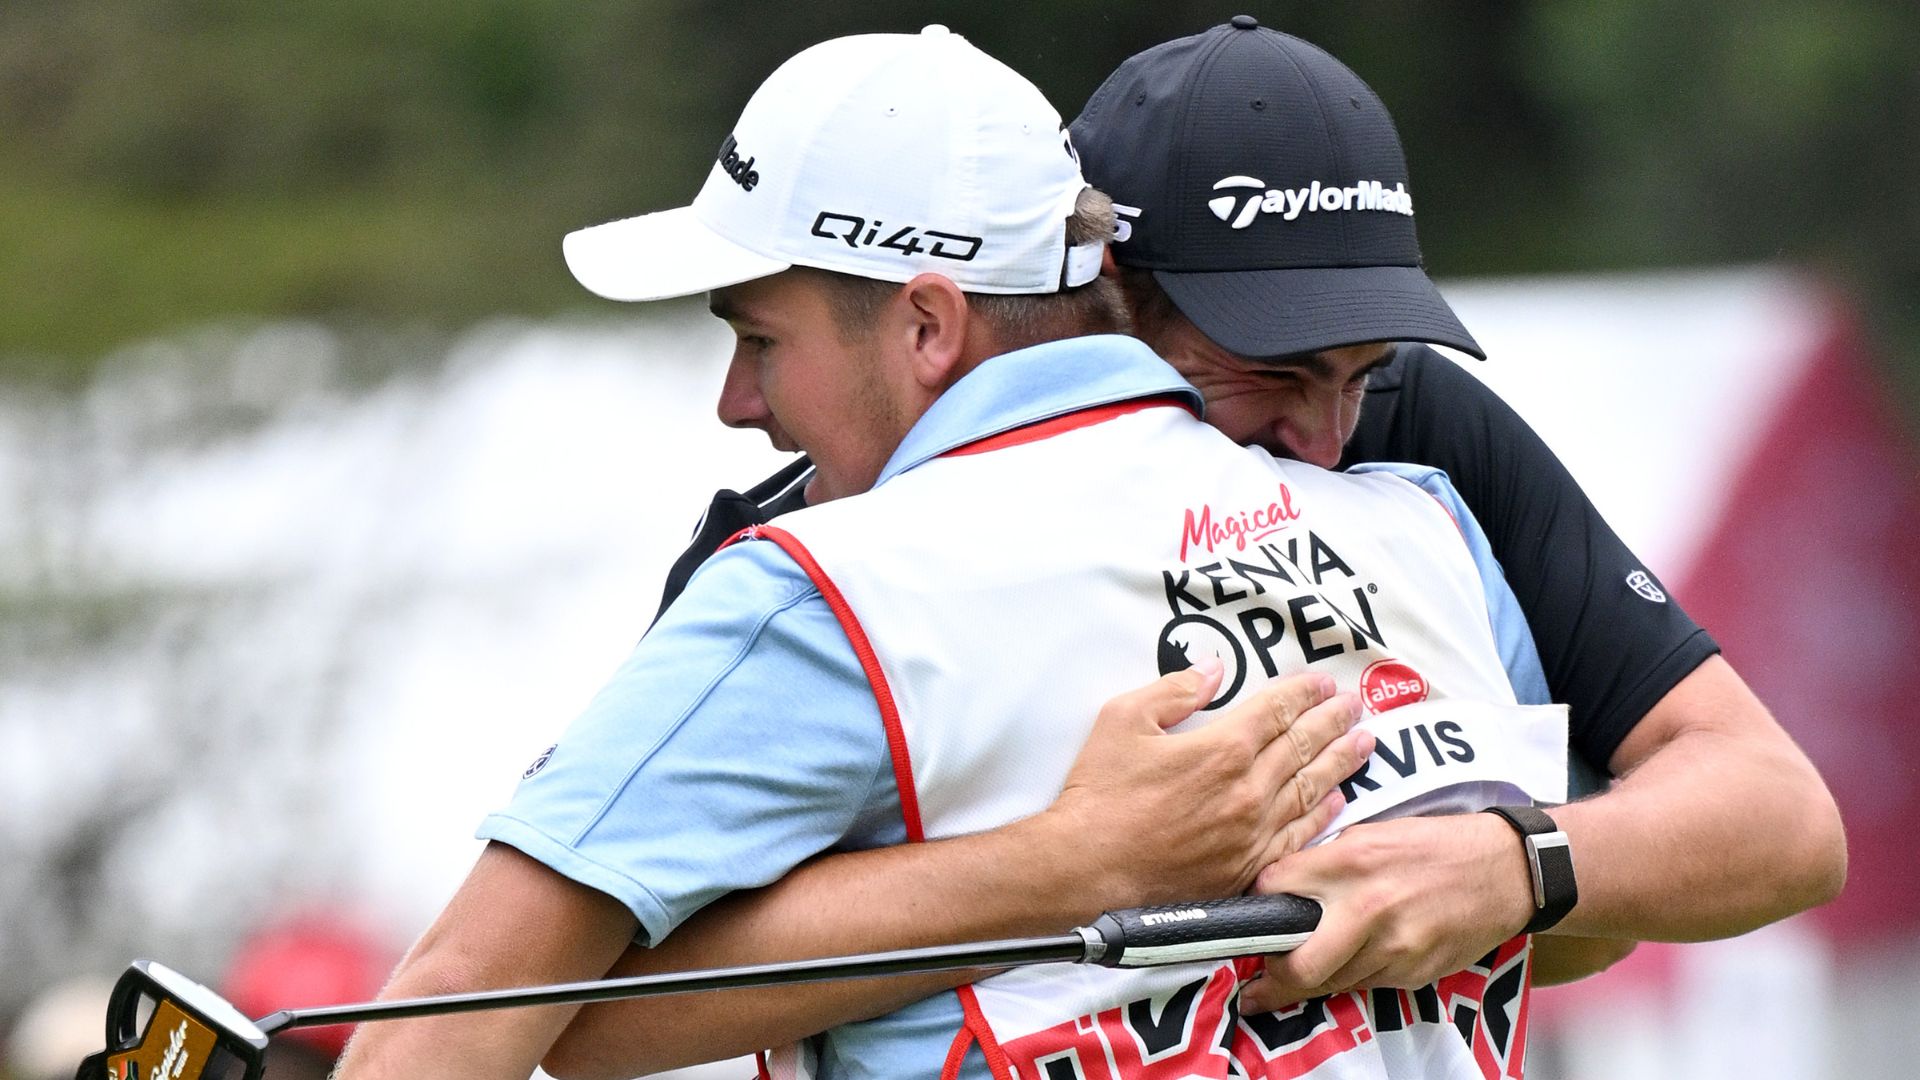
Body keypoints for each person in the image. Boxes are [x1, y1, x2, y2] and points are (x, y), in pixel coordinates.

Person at [539, 19, 1847, 1080]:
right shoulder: (818, 549)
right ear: (1101, 298)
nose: (1326, 436)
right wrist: (1062, 876)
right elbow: (584, 1009)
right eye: (1268, 367)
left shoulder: (1410, 439)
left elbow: (1776, 819)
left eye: (1360, 368)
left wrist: (1514, 863)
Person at [334, 25, 1591, 1080]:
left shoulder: (821, 589)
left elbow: (461, 1015)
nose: (737, 401)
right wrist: (1070, 872)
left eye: (762, 339)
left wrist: (1071, 872)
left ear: (929, 325)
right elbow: (1571, 933)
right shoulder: (1423, 528)